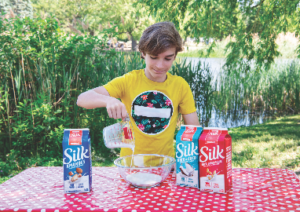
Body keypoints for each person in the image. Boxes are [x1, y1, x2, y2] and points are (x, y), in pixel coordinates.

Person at [77, 22, 200, 159]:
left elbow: (194, 130)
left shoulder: (180, 86)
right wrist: (109, 100)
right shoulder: (128, 81)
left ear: (175, 56)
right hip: (131, 166)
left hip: (166, 167)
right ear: (143, 53)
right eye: (153, 57)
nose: (160, 65)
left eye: (167, 58)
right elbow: (82, 99)